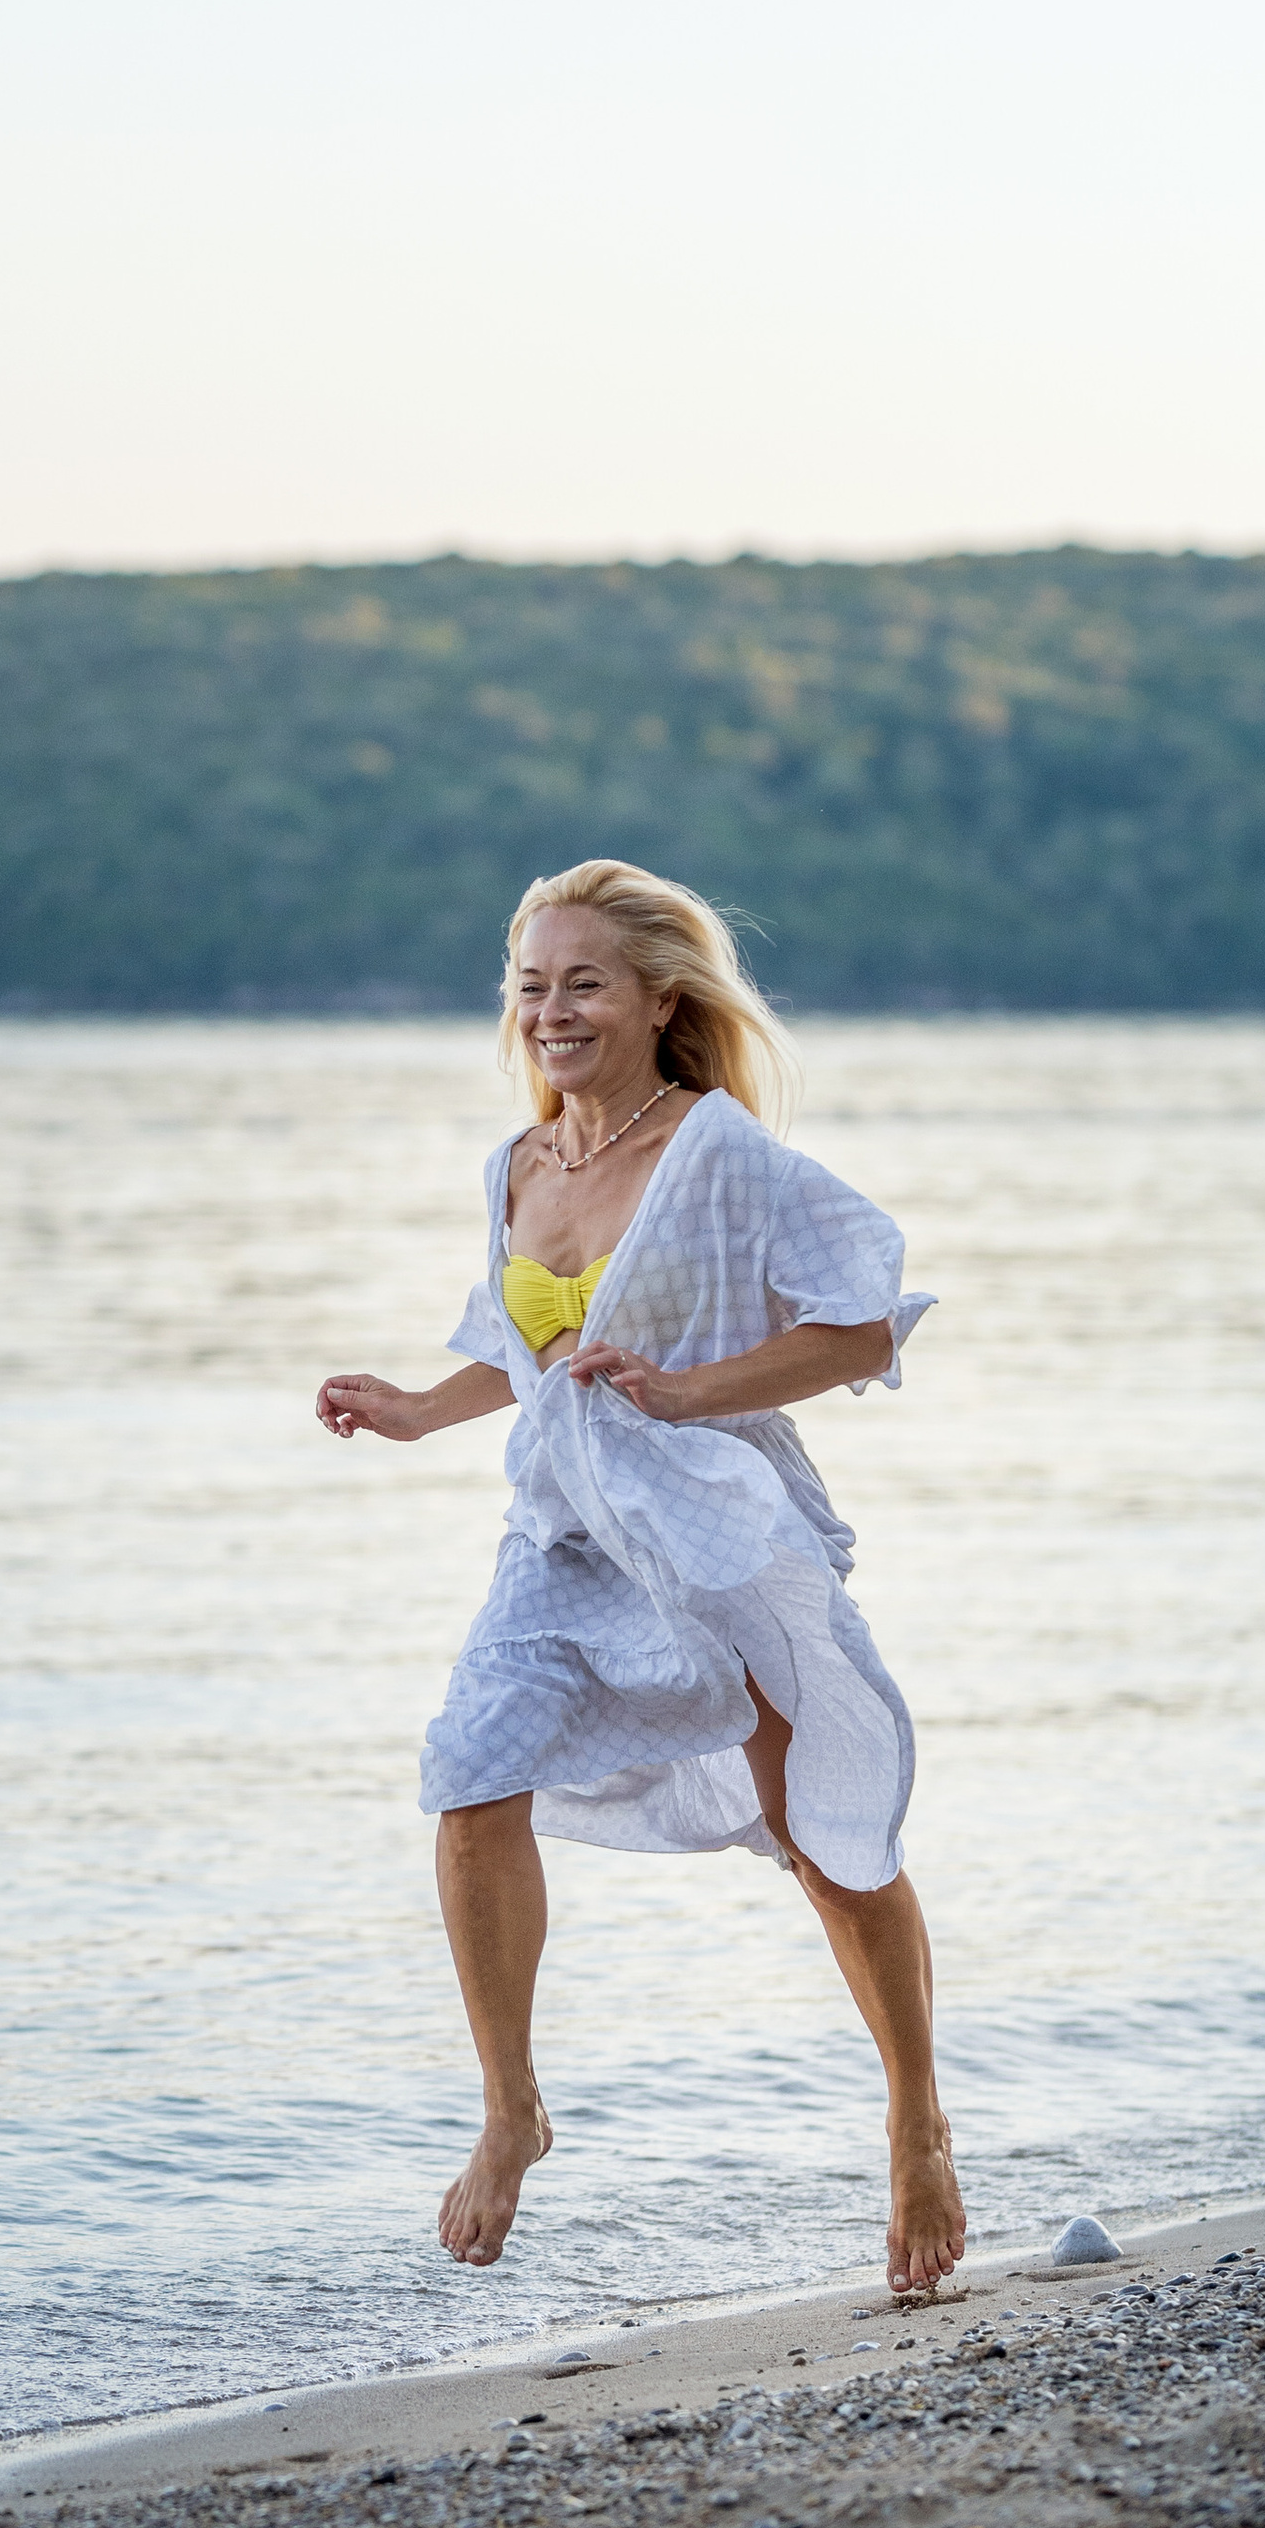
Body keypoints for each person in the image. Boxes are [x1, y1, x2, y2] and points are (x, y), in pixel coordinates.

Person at [316, 858, 966, 2300]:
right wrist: (416, 1409)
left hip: (721, 1532)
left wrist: (687, 1392)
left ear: (661, 1000)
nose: (549, 1009)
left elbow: (861, 1328)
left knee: (824, 1836)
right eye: (531, 983)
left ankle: (916, 2119)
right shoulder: (518, 1164)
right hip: (561, 1537)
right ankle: (512, 2112)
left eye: (582, 982)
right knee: (469, 1779)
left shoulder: (722, 1158)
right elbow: (519, 1344)